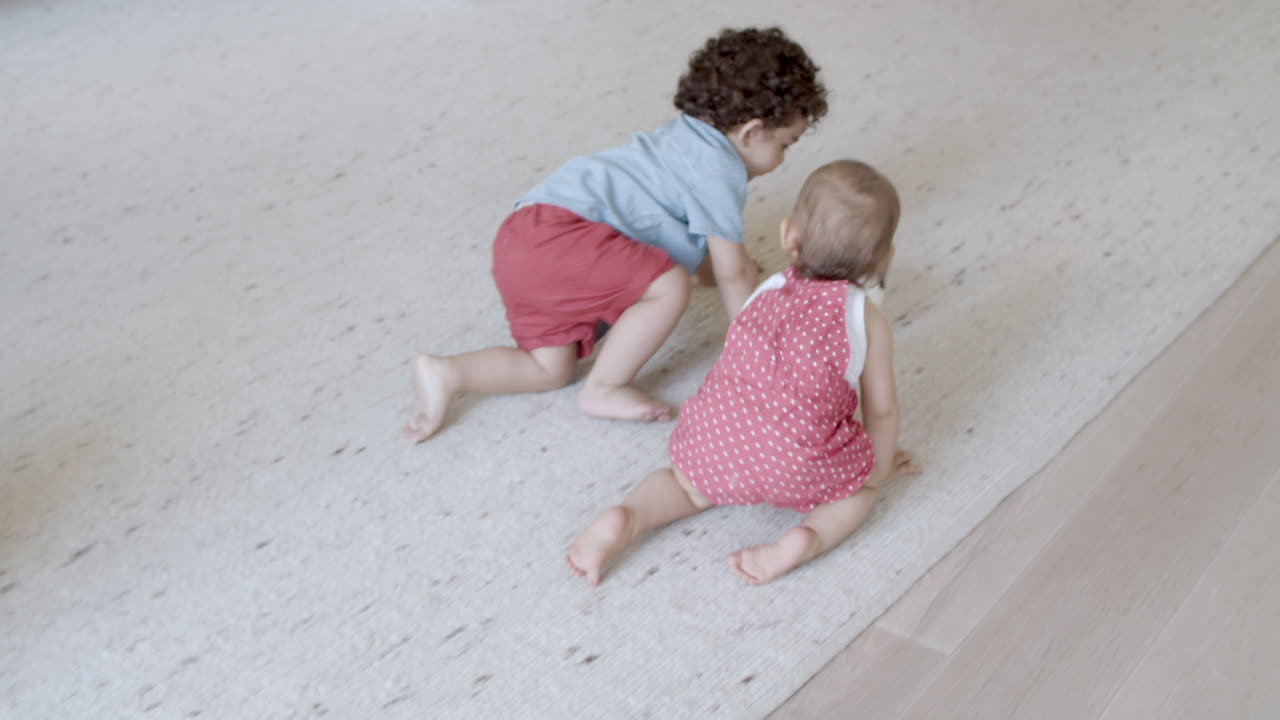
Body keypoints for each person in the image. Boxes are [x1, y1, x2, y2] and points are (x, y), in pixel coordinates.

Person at [403, 27, 828, 442]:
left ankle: (449, 372)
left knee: (552, 368)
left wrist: (707, 271)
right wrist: (758, 343)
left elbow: (673, 225)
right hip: (562, 235)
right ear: (752, 132)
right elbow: (734, 271)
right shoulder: (719, 168)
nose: (783, 159)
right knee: (668, 286)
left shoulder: (683, 137)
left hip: (522, 239)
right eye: (785, 145)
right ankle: (604, 387)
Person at [567, 160, 922, 586]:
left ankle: (627, 517)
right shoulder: (865, 318)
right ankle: (804, 539)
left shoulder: (766, 291)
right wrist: (876, 467)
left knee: (684, 487)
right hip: (798, 463)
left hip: (717, 439)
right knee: (859, 492)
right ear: (886, 258)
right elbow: (881, 411)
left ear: (789, 234)